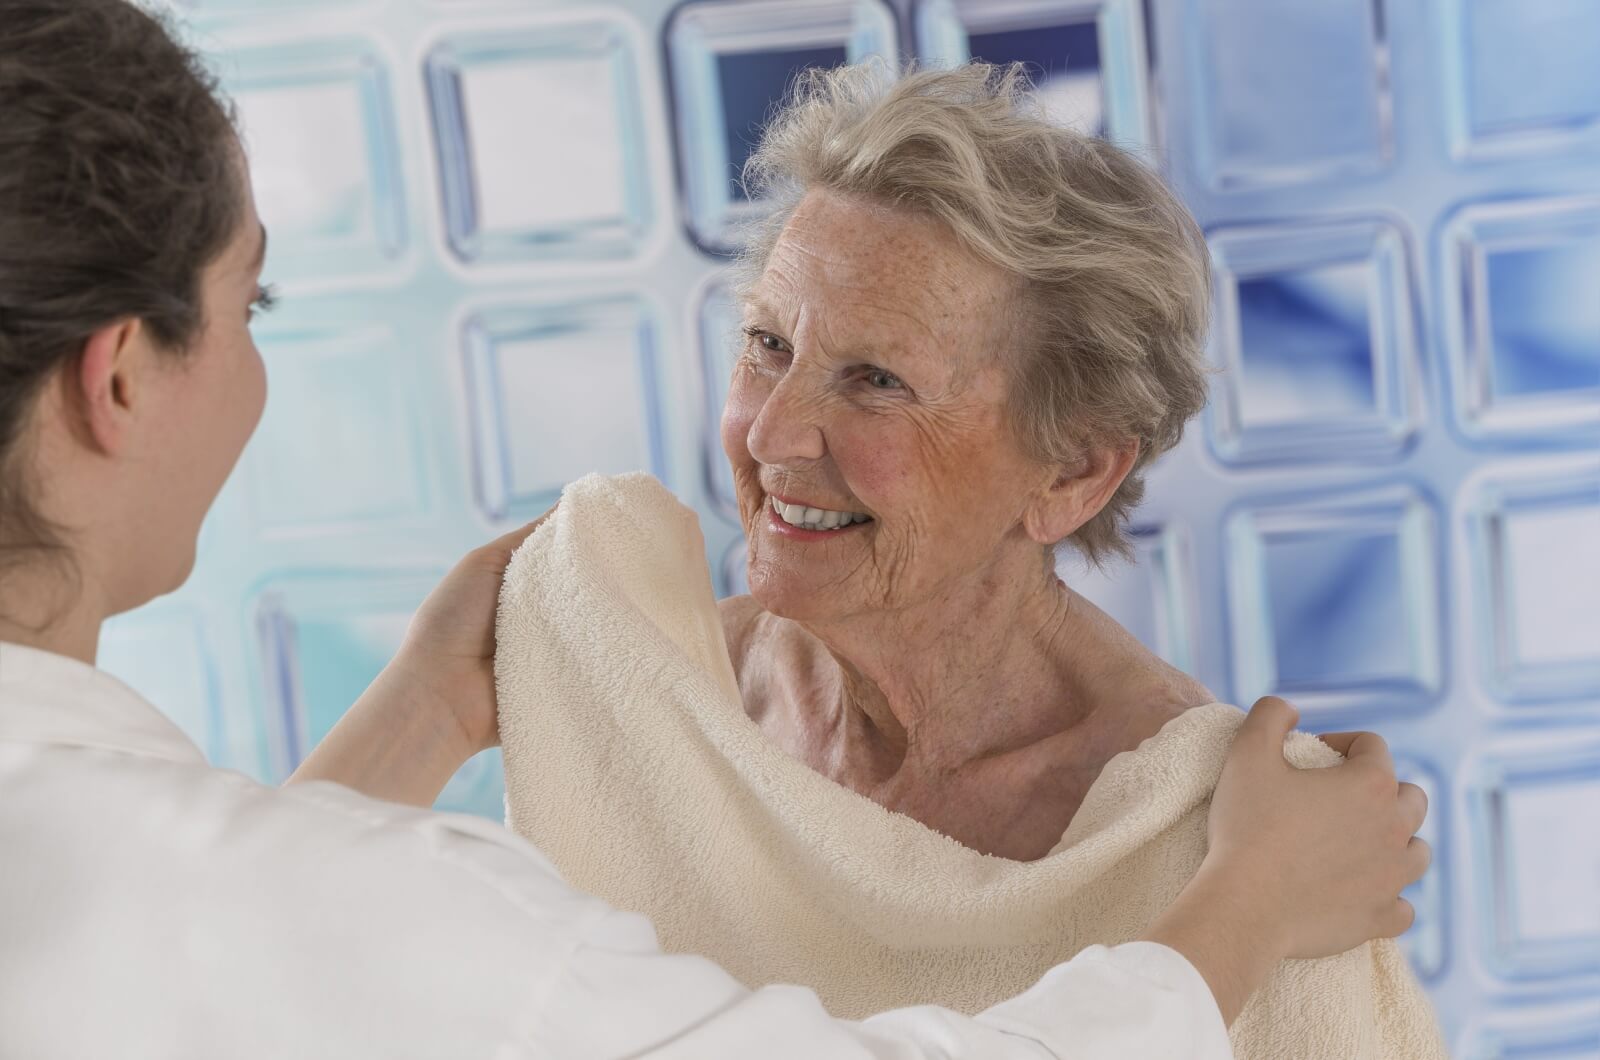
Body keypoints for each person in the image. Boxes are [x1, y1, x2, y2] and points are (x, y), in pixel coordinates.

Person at [0, 2, 1428, 1057]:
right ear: (119, 376)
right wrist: (1239, 922)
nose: (770, 431)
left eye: (874, 377)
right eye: (764, 343)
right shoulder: (632, 695)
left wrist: (434, 698)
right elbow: (272, 951)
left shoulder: (1210, 814)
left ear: (1074, 470)